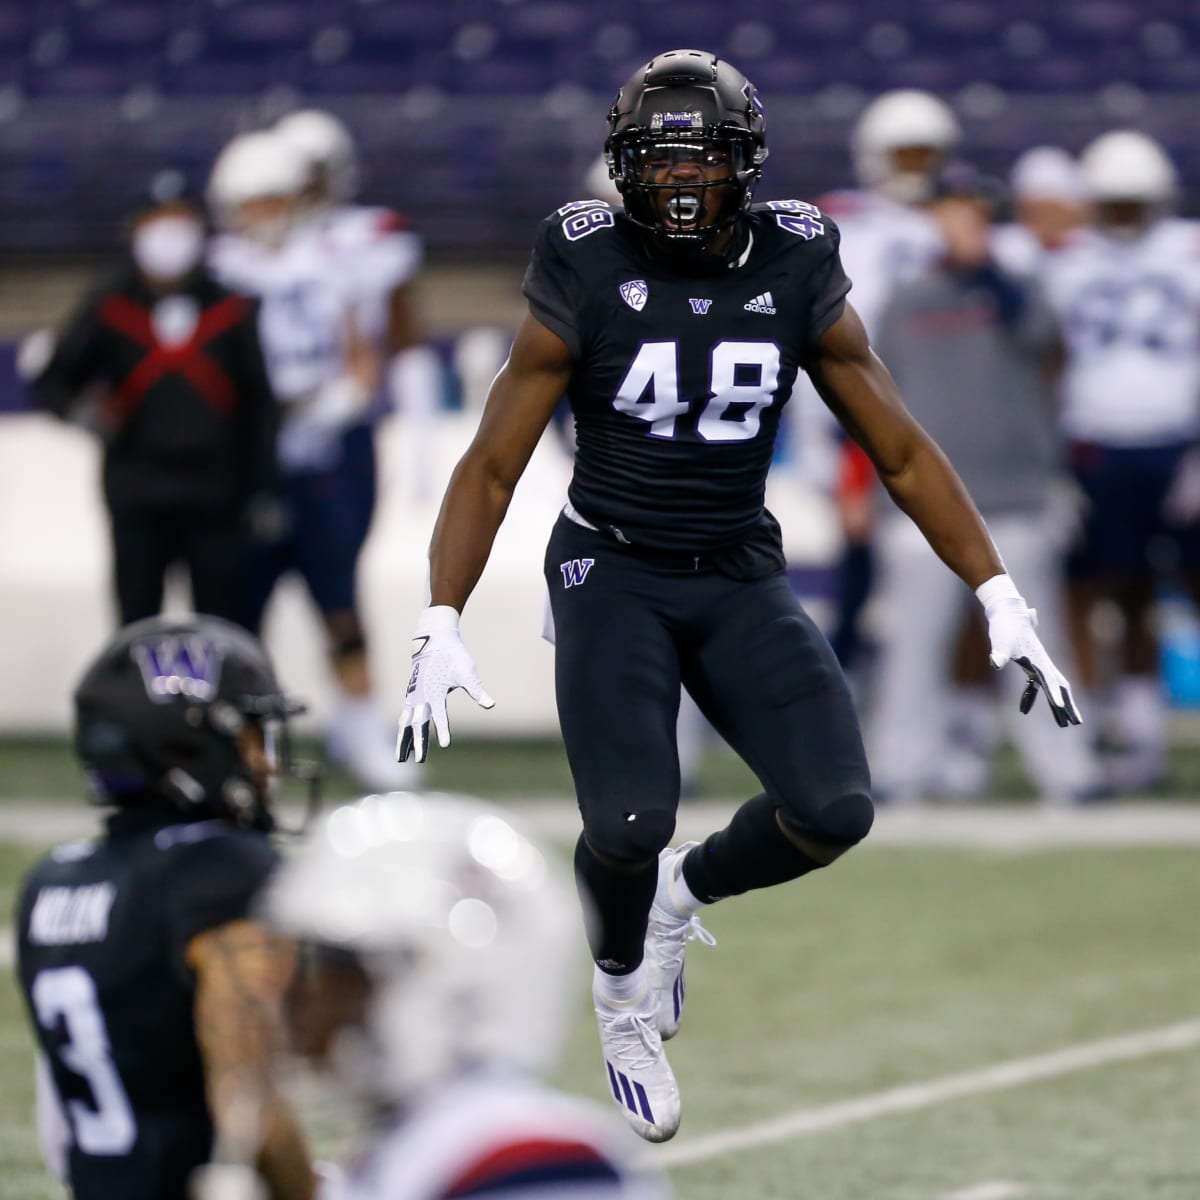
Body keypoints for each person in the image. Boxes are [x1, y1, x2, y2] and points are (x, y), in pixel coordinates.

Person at [395, 49, 1081, 1143]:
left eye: (698, 159)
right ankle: (621, 995)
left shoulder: (800, 259)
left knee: (833, 810)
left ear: (744, 166)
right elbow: (492, 462)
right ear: (621, 168)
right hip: (609, 567)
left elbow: (898, 448)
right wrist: (442, 612)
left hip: (734, 566)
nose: (676, 183)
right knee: (625, 821)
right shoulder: (581, 261)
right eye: (656, 161)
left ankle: (681, 901)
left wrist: (997, 588)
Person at [14, 614, 317, 1200]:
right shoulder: (219, 871)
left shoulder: (48, 885)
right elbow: (253, 1116)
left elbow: (58, 1132)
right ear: (190, 744)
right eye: (253, 737)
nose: (268, 763)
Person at [262, 791, 673, 1200]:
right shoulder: (407, 1146)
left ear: (438, 986)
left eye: (342, 980)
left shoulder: (521, 1154)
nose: (309, 1004)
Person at [868, 166, 1102, 805]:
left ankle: (1068, 771)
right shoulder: (907, 297)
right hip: (924, 506)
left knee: (1034, 641)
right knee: (913, 644)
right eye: (948, 210)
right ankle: (898, 771)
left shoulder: (1021, 290)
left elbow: (1044, 346)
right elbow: (872, 397)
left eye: (969, 210)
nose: (957, 221)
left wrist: (988, 271)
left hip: (1016, 496)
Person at [207, 129, 418, 793]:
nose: (266, 214)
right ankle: (248, 743)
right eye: (254, 202)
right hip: (245, 460)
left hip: (322, 453)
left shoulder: (331, 259)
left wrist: (346, 397)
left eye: (275, 199)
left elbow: (361, 347)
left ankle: (361, 728)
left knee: (339, 598)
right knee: (240, 610)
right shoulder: (217, 271)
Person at [22, 170, 279, 629]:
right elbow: (53, 380)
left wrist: (263, 488)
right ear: (135, 230)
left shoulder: (231, 306)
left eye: (180, 219)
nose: (169, 233)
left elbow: (259, 404)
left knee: (223, 619)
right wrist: (84, 413)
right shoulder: (109, 303)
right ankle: (140, 701)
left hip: (217, 491)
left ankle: (218, 702)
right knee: (137, 617)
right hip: (136, 489)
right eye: (157, 220)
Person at [1042, 130, 1200, 791]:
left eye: (1135, 203)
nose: (1127, 215)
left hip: (1180, 442)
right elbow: (1046, 361)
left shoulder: (1188, 251)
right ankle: (1139, 739)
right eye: (1116, 203)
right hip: (1098, 445)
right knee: (1122, 592)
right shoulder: (1065, 260)